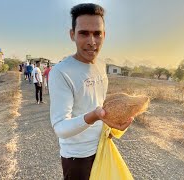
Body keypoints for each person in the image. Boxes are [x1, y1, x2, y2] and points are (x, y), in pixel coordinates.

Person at [48, 3, 133, 180]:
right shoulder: (61, 72)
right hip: (77, 156)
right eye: (84, 33)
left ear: (104, 35)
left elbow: (97, 102)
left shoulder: (101, 65)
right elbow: (60, 128)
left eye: (97, 34)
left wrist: (111, 121)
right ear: (72, 35)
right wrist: (95, 116)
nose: (91, 41)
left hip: (103, 146)